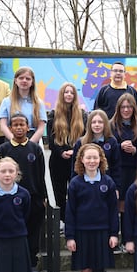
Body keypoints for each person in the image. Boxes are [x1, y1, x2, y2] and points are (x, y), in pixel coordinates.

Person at [66, 144, 120, 272]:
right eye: (88, 158)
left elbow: (113, 211)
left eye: (95, 158)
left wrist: (114, 233)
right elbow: (70, 212)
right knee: (86, 271)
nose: (91, 161)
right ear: (81, 160)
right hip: (82, 234)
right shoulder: (75, 183)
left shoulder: (108, 182)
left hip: (102, 233)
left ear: (100, 160)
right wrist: (70, 237)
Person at [0, 113, 48, 272]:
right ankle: (12, 266)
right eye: (15, 125)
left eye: (22, 124)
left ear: (28, 128)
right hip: (8, 200)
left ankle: (31, 265)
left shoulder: (35, 149)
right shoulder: (3, 150)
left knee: (33, 233)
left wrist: (44, 196)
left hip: (33, 199)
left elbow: (41, 175)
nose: (18, 127)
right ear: (10, 128)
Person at [47, 82, 86, 223]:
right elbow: (51, 140)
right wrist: (62, 152)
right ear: (61, 94)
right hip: (58, 159)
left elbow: (85, 136)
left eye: (72, 93)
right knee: (60, 192)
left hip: (77, 159)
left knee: (77, 191)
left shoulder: (82, 114)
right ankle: (63, 221)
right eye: (66, 92)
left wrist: (75, 151)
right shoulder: (53, 114)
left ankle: (77, 219)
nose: (69, 95)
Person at [72, 109, 122, 193]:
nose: (97, 125)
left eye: (100, 122)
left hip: (106, 186)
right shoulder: (81, 143)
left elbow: (116, 167)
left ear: (105, 124)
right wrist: (73, 187)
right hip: (84, 186)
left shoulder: (112, 141)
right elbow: (75, 168)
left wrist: (116, 187)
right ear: (89, 124)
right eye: (94, 122)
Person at [0, 67, 47, 144]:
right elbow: (3, 126)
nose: (24, 80)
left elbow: (41, 127)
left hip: (32, 140)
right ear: (15, 81)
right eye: (21, 78)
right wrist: (14, 141)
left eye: (28, 78)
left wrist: (29, 144)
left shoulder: (39, 103)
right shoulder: (6, 102)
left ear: (32, 82)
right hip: (11, 140)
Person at [110, 92, 137, 208]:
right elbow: (106, 150)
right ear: (118, 109)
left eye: (129, 107)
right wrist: (119, 146)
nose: (126, 110)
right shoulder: (111, 126)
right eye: (123, 107)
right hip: (116, 171)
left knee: (130, 206)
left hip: (133, 172)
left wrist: (134, 150)